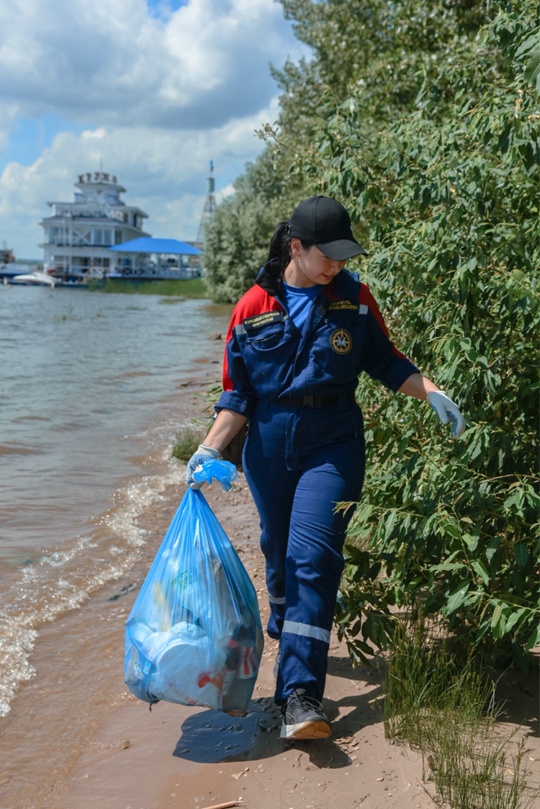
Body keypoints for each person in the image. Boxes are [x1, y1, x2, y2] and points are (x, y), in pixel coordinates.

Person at [186, 195, 466, 741]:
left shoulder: (355, 299)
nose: (337, 264)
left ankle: (300, 695)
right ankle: (290, 639)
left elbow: (384, 361)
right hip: (269, 445)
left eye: (343, 254)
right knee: (279, 558)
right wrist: (208, 449)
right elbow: (236, 395)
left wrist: (430, 391)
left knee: (312, 555)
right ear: (297, 248)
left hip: (334, 442)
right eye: (328, 254)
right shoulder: (251, 308)